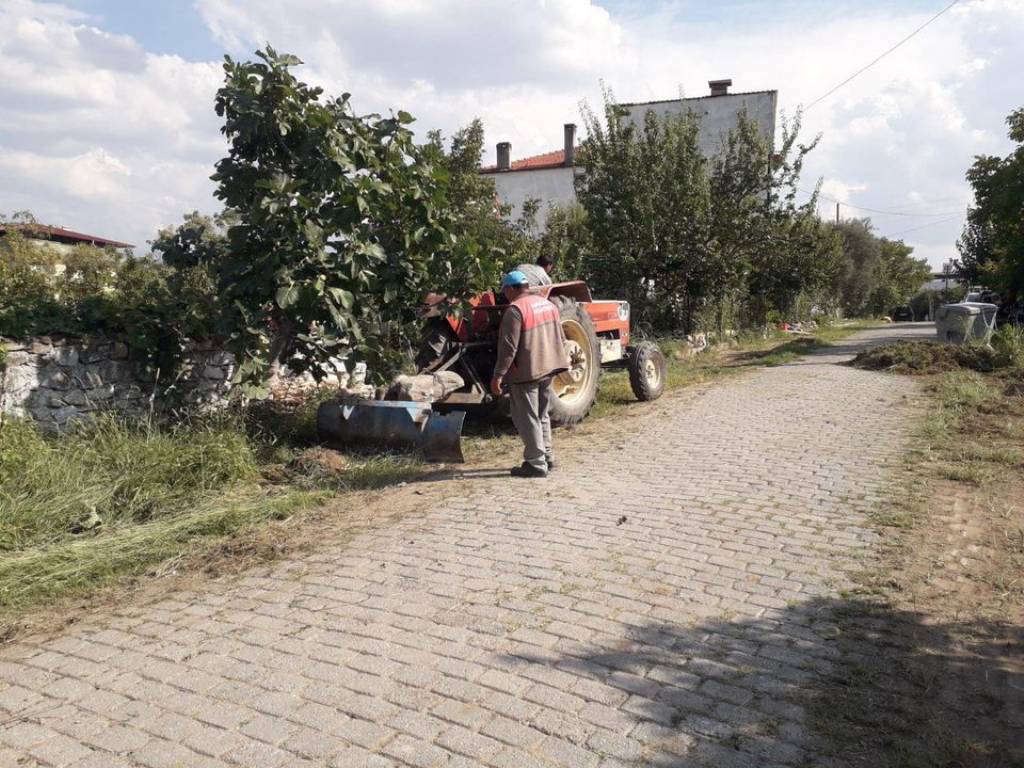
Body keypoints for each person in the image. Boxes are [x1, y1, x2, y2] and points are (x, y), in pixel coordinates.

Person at [490, 270, 568, 478]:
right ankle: (547, 456)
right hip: (549, 368)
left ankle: (535, 463)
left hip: (527, 372)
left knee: (527, 418)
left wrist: (498, 376)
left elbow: (508, 349)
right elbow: (560, 336)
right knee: (542, 414)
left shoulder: (515, 310)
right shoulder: (548, 304)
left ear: (511, 289)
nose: (504, 295)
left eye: (504, 290)